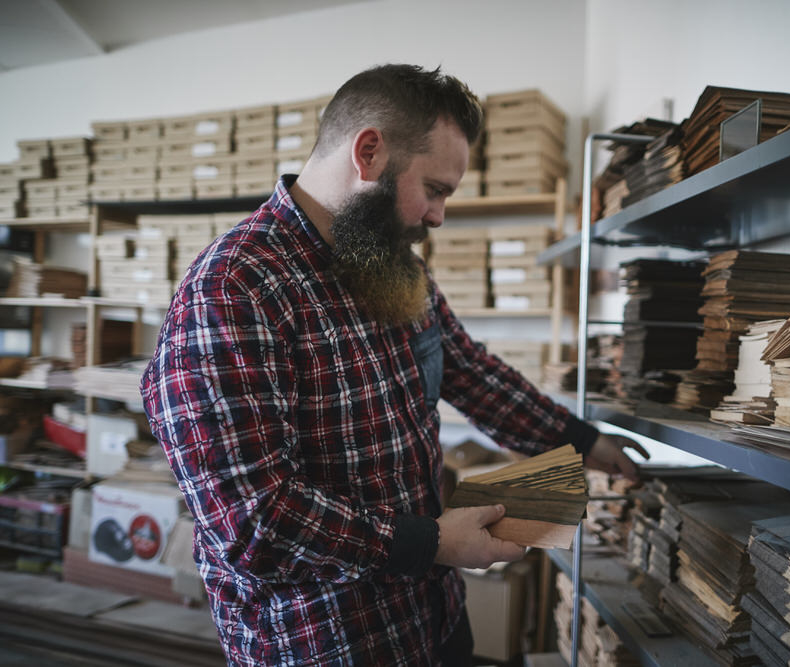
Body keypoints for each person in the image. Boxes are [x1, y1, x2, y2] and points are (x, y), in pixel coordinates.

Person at [141, 63, 647, 667]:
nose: (438, 216)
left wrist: (580, 439)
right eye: (434, 189)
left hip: (434, 621)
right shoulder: (233, 290)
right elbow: (252, 522)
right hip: (325, 644)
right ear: (370, 152)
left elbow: (468, 370)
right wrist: (429, 541)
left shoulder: (392, 263)